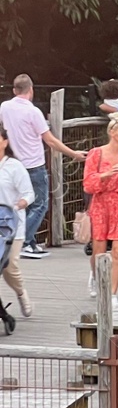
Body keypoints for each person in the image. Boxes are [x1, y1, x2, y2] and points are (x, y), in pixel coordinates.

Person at [1, 75, 85, 257]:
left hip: (15, 164)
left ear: (14, 90)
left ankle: (30, 242)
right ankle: (21, 242)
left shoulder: (5, 107)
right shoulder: (33, 112)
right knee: (40, 205)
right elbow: (51, 141)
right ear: (31, 90)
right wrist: (74, 154)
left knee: (22, 204)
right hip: (34, 165)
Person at [83, 114, 118, 299]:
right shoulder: (96, 154)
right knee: (99, 250)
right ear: (112, 132)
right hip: (101, 204)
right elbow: (88, 184)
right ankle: (95, 275)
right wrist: (106, 174)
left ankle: (111, 293)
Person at [0, 127, 34, 318]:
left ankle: (21, 292)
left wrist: (20, 204)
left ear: (5, 142)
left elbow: (29, 194)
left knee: (9, 265)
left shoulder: (14, 166)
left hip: (10, 224)